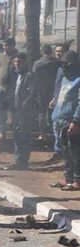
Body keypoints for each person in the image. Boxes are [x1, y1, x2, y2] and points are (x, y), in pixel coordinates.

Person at [49, 51, 80, 190]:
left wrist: (76, 120)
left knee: (76, 152)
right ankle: (68, 178)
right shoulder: (64, 78)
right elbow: (61, 94)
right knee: (65, 152)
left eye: (66, 64)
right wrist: (54, 101)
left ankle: (78, 180)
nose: (63, 67)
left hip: (71, 121)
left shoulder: (78, 80)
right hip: (60, 119)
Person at [7, 53, 38, 170]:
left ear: (25, 62)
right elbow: (11, 92)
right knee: (16, 135)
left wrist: (24, 105)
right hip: (15, 110)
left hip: (25, 112)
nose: (17, 64)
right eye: (15, 62)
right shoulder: (14, 75)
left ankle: (23, 161)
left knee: (23, 136)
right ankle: (17, 160)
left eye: (19, 62)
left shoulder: (30, 76)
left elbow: (32, 93)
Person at [0, 38, 17, 139]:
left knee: (13, 111)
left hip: (14, 89)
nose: (5, 47)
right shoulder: (0, 56)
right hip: (1, 88)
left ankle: (14, 131)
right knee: (0, 110)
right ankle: (2, 132)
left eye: (7, 45)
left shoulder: (17, 56)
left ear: (12, 46)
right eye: (4, 45)